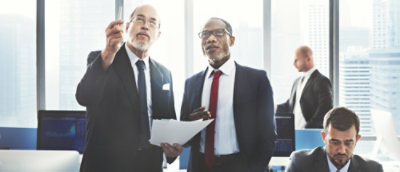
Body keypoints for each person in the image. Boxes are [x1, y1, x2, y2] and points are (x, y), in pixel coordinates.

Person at [75, 5, 182, 172]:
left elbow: (168, 123)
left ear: (158, 35)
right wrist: (109, 52)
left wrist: (172, 151)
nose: (145, 25)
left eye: (152, 23)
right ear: (126, 27)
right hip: (106, 166)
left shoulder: (164, 74)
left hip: (150, 167)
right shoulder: (102, 59)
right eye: (139, 19)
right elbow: (84, 96)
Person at [180, 17, 276, 172]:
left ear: (231, 41)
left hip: (242, 166)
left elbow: (268, 136)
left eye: (218, 33)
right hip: (200, 166)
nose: (210, 39)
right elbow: (184, 137)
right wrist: (191, 123)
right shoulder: (191, 83)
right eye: (205, 34)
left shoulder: (257, 80)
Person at [286, 107, 383, 172]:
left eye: (348, 143)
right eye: (335, 142)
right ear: (324, 137)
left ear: (357, 140)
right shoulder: (300, 164)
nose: (341, 150)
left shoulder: (373, 169)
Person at [277, 46, 332, 128]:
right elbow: (290, 105)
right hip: (295, 133)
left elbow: (325, 109)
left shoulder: (322, 81)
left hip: (311, 134)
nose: (294, 64)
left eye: (297, 60)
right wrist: (274, 107)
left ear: (308, 59)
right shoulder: (297, 81)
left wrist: (308, 128)